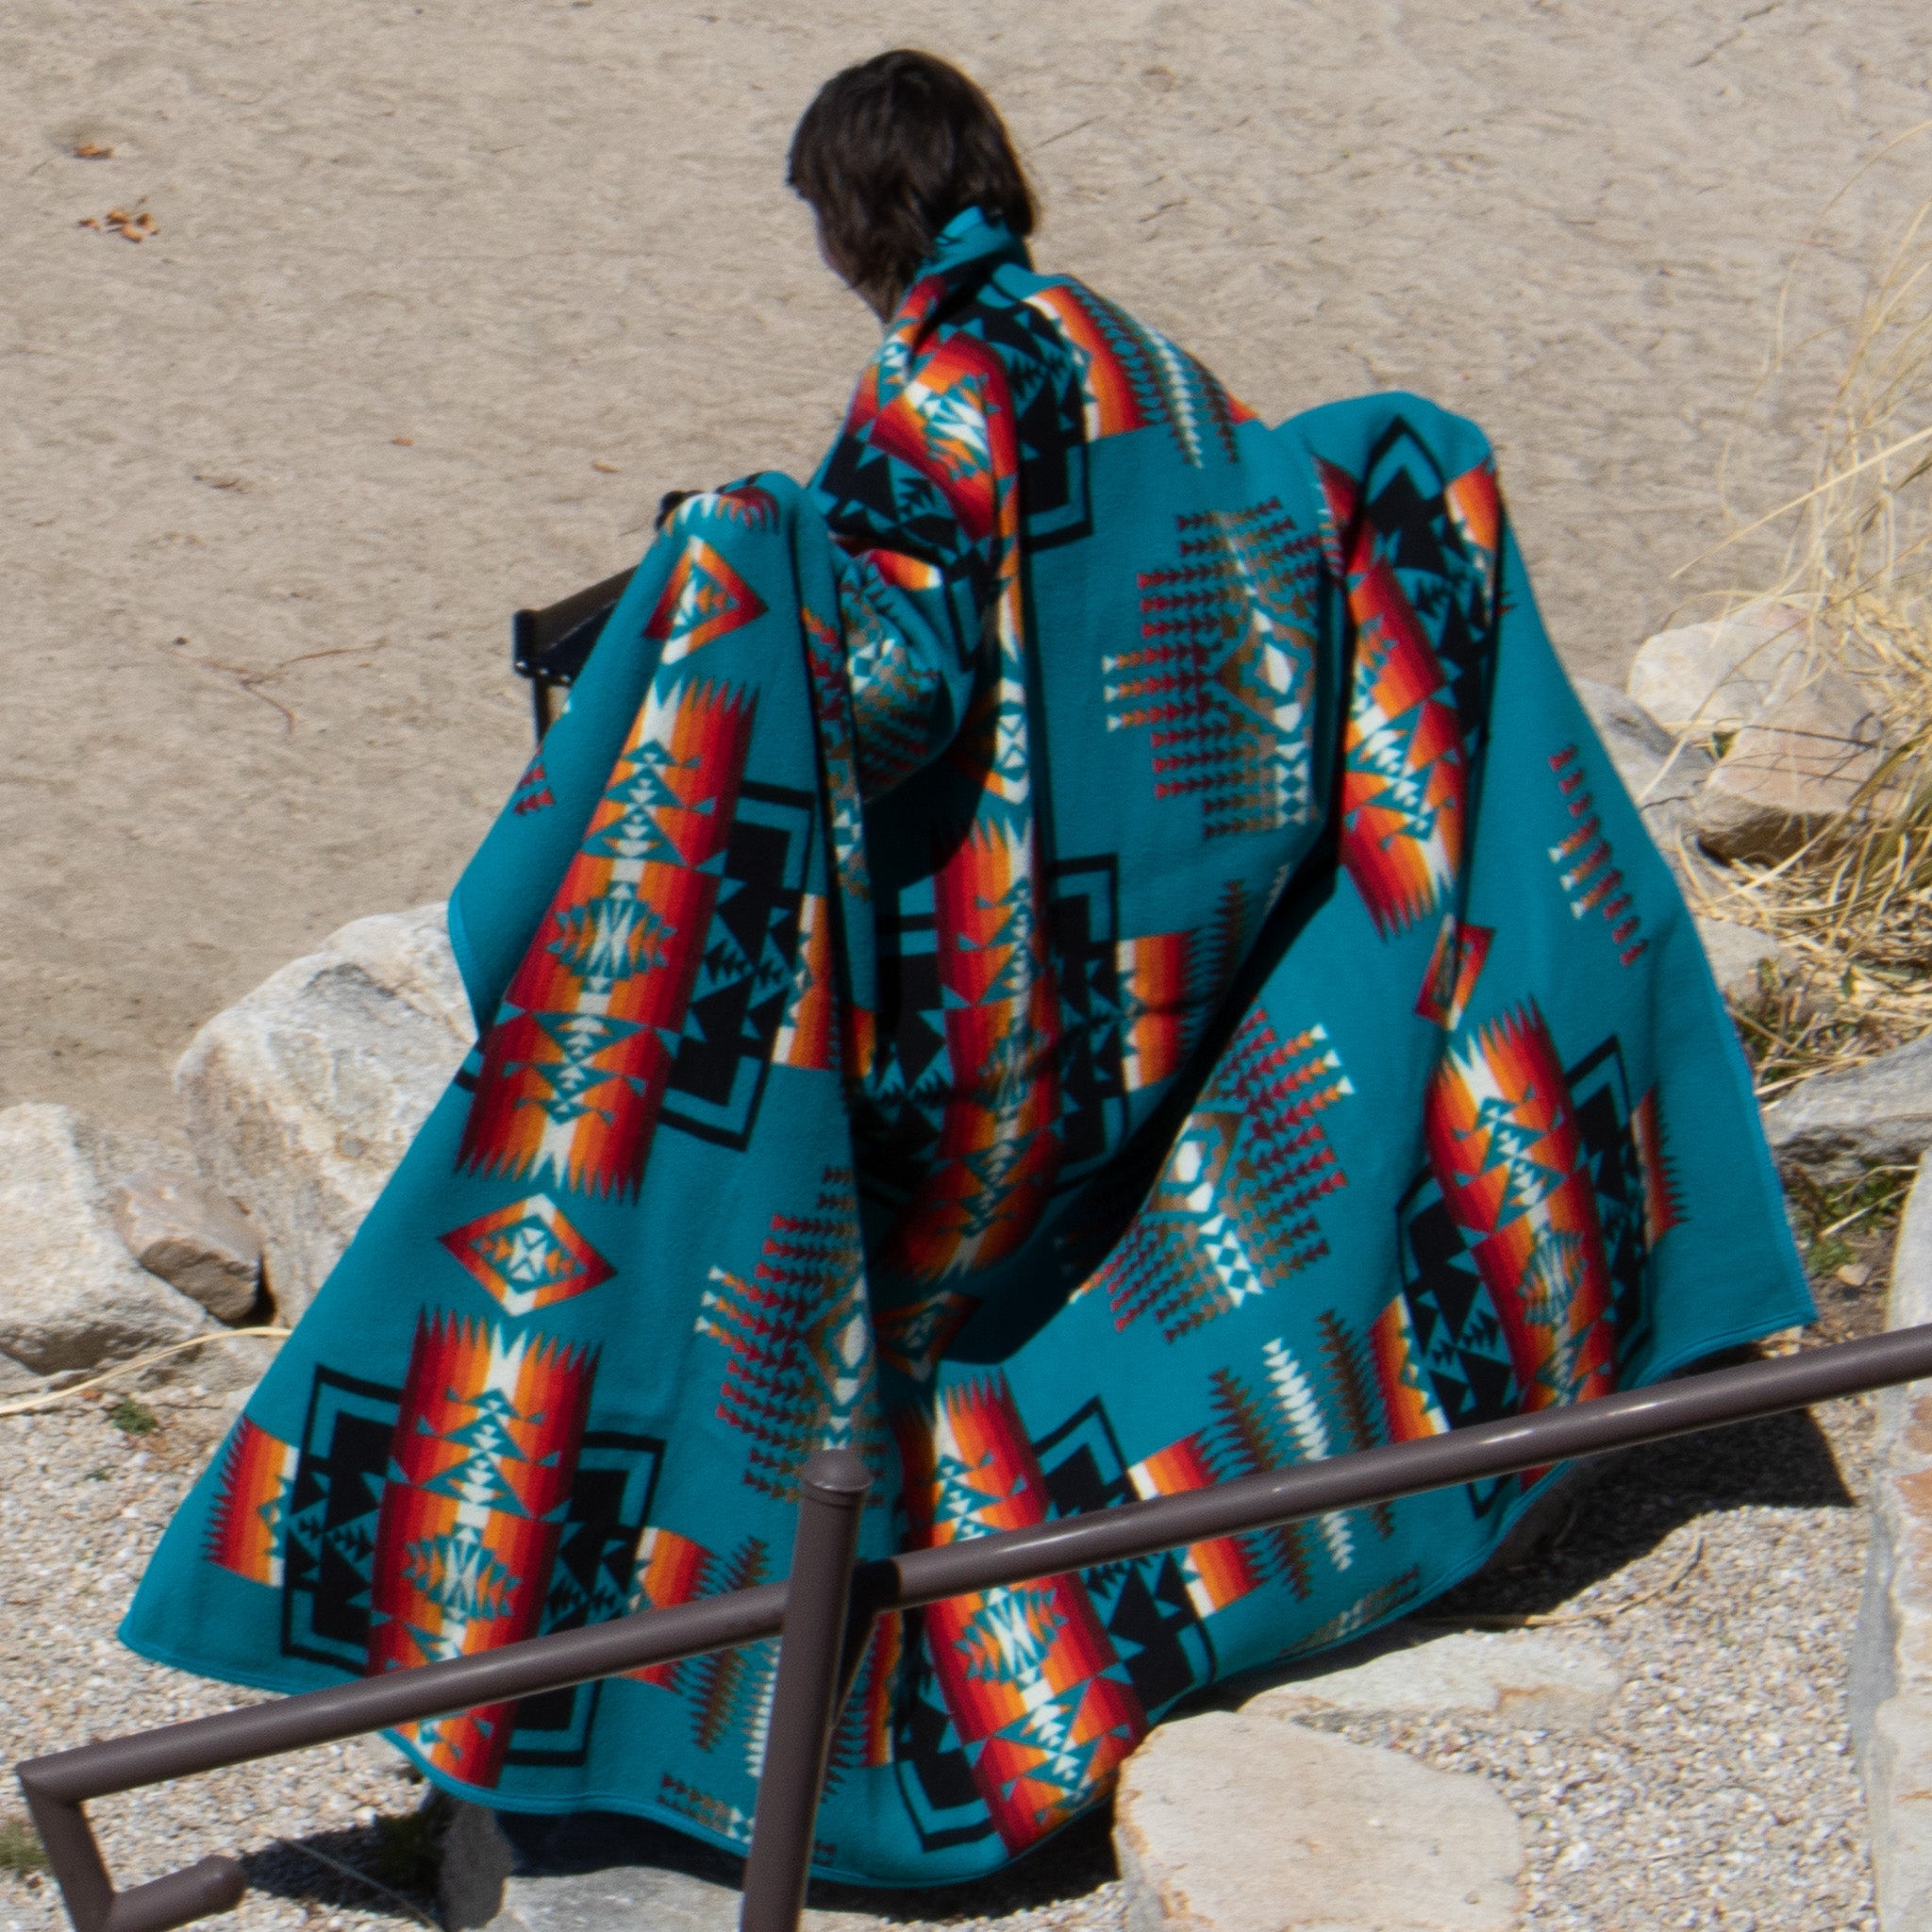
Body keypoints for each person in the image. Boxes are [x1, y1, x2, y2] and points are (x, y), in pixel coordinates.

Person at [125, 49, 1809, 1890]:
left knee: (691, 1231)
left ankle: (661, 1702)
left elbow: (897, 680)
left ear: (858, 221)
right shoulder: (1130, 358)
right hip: (1161, 980)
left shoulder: (934, 397)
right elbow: (1275, 577)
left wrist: (722, 574)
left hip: (994, 1026)